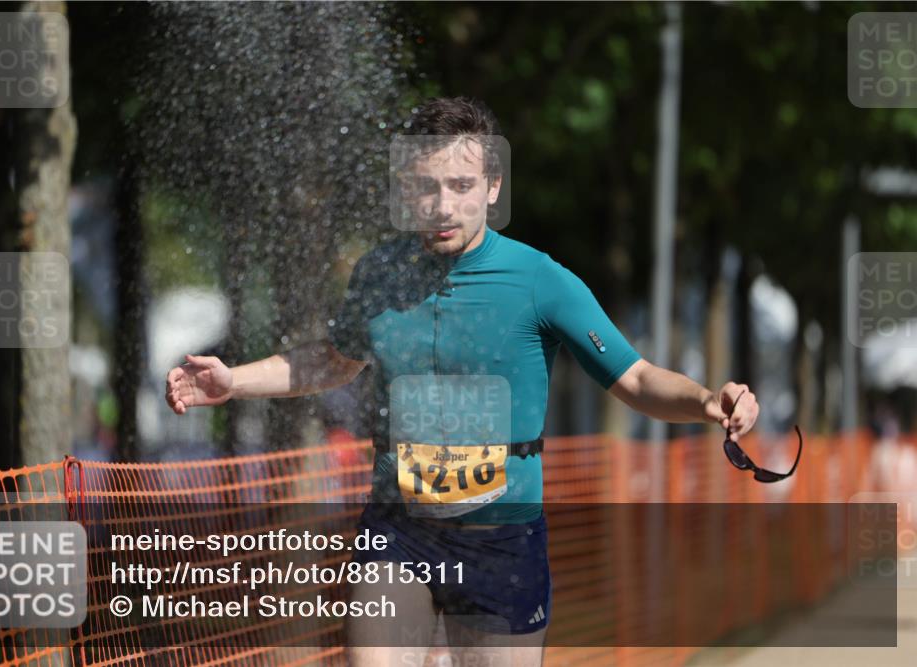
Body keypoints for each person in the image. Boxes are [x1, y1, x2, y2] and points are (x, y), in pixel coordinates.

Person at [165, 96, 760, 667]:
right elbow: (334, 361)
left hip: (502, 536)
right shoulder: (381, 272)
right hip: (398, 527)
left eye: (462, 186)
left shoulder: (539, 280)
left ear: (493, 189)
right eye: (427, 186)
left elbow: (635, 378)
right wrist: (232, 381)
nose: (443, 205)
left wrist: (708, 400)